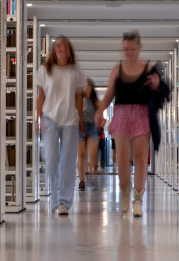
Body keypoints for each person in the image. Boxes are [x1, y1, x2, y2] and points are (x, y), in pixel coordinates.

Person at [95, 30, 160, 217]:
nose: (129, 52)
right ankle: (124, 192)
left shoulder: (148, 67)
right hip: (122, 115)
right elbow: (109, 94)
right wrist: (100, 111)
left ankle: (138, 200)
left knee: (140, 158)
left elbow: (161, 93)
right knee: (122, 159)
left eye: (132, 48)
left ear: (139, 48)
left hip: (141, 115)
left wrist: (156, 85)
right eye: (126, 49)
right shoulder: (117, 69)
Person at [37, 36, 85, 216]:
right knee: (51, 159)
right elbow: (40, 97)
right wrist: (38, 119)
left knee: (68, 161)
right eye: (58, 45)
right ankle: (56, 196)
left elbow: (79, 97)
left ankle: (63, 201)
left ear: (69, 51)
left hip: (70, 120)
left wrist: (80, 119)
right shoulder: (44, 70)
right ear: (53, 50)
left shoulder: (75, 71)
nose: (61, 48)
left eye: (65, 46)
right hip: (49, 118)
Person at [77, 78, 100, 190]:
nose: (86, 88)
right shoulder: (79, 99)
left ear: (92, 88)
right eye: (84, 86)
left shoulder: (94, 101)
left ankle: (91, 175)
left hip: (91, 127)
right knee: (81, 155)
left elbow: (101, 110)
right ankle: (81, 181)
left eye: (88, 86)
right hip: (80, 128)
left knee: (92, 154)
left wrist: (101, 120)